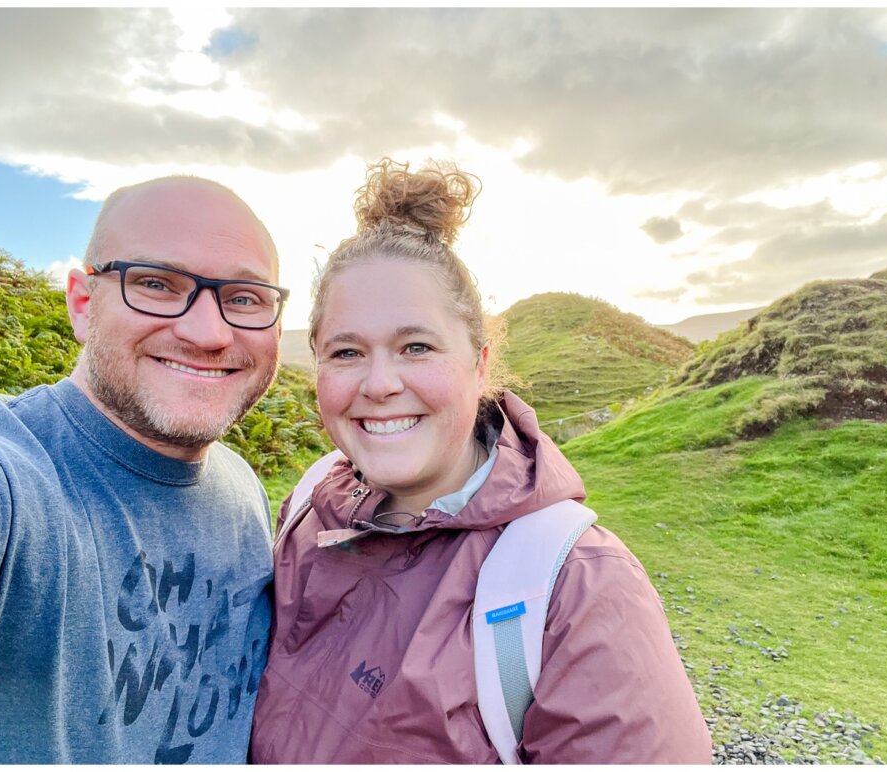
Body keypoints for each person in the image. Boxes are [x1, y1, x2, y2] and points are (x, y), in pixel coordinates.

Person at [249, 159, 712, 763]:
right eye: (346, 351)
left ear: (480, 362)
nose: (380, 382)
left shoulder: (579, 590)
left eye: (417, 346)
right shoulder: (308, 507)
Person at [0, 176, 287, 764]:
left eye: (244, 298)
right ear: (83, 304)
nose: (208, 333)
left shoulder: (242, 488)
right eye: (156, 284)